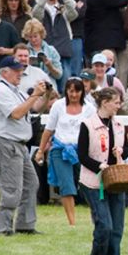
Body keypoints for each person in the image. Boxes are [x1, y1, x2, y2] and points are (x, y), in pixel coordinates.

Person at [0, 57, 52, 235]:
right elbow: (16, 114)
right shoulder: (0, 91)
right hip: (6, 142)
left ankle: (25, 225)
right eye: (16, 70)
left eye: (20, 70)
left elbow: (34, 109)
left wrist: (45, 94)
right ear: (4, 72)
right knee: (12, 188)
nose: (20, 74)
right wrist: (34, 95)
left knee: (31, 183)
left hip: (19, 144)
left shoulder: (15, 90)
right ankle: (3, 228)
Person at [77, 87, 128, 255]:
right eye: (116, 102)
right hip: (93, 182)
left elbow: (126, 151)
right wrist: (100, 166)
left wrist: (121, 152)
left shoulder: (119, 125)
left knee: (117, 229)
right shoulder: (87, 125)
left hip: (116, 181)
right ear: (105, 102)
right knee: (104, 226)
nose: (119, 105)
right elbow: (82, 155)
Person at [36, 76, 89, 226]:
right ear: (66, 91)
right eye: (70, 91)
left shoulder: (89, 108)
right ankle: (72, 222)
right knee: (67, 185)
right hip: (60, 149)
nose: (73, 95)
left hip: (81, 151)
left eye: (77, 91)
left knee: (87, 184)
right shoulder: (58, 106)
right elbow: (48, 130)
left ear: (82, 91)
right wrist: (41, 150)